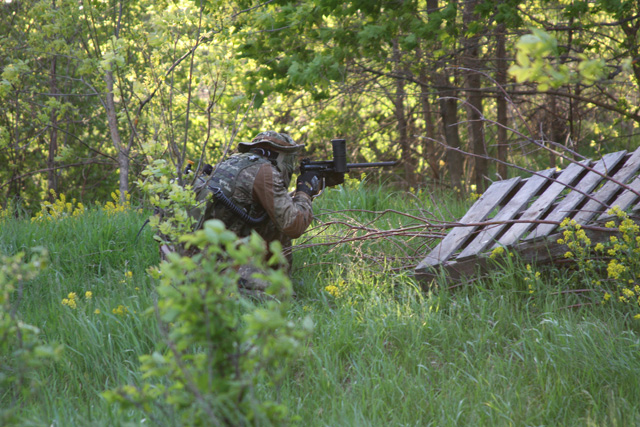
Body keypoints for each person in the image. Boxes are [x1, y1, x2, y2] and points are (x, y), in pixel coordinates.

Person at [190, 131, 321, 293]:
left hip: (197, 257)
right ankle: (229, 293)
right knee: (280, 292)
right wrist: (304, 192)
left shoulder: (233, 163)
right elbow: (293, 224)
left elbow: (277, 210)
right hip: (211, 266)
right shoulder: (265, 171)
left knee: (273, 222)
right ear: (282, 156)